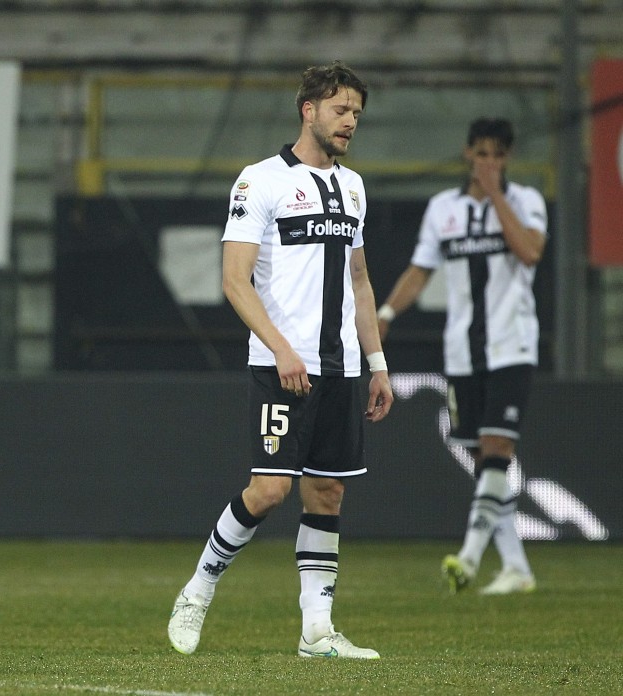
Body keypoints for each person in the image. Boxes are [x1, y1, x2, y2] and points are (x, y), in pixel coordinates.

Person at [167, 61, 393, 659]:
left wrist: (377, 363)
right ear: (309, 109)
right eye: (341, 110)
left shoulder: (354, 187)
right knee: (269, 490)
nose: (350, 123)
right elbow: (234, 280)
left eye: (356, 115)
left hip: (342, 366)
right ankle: (198, 588)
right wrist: (280, 348)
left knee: (326, 494)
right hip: (281, 365)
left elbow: (361, 282)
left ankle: (316, 630)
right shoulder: (259, 181)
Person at [377, 117, 545, 595]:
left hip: (511, 346)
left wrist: (495, 196)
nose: (488, 162)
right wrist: (386, 313)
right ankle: (516, 567)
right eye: (482, 153)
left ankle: (469, 558)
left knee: (497, 450)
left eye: (497, 154)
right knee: (482, 459)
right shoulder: (442, 209)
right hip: (462, 353)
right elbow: (420, 269)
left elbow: (530, 252)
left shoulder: (526, 201)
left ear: (507, 158)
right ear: (468, 153)